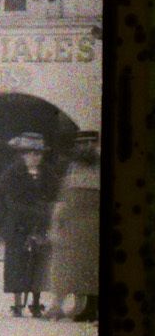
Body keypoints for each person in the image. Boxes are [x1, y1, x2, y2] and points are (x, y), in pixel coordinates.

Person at [45, 129, 100, 321]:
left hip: (93, 227)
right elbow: (60, 200)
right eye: (82, 144)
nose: (86, 147)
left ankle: (86, 307)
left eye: (91, 144)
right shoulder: (68, 167)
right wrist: (54, 226)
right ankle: (57, 306)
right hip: (71, 226)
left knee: (90, 269)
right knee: (64, 267)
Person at [0, 132, 51, 317]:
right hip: (17, 225)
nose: (35, 157)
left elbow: (54, 195)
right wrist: (35, 212)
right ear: (22, 154)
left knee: (39, 263)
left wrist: (46, 213)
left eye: (38, 154)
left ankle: (36, 303)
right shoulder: (12, 173)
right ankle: (17, 304)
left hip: (40, 225)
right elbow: (9, 201)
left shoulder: (47, 173)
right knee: (16, 263)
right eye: (30, 153)